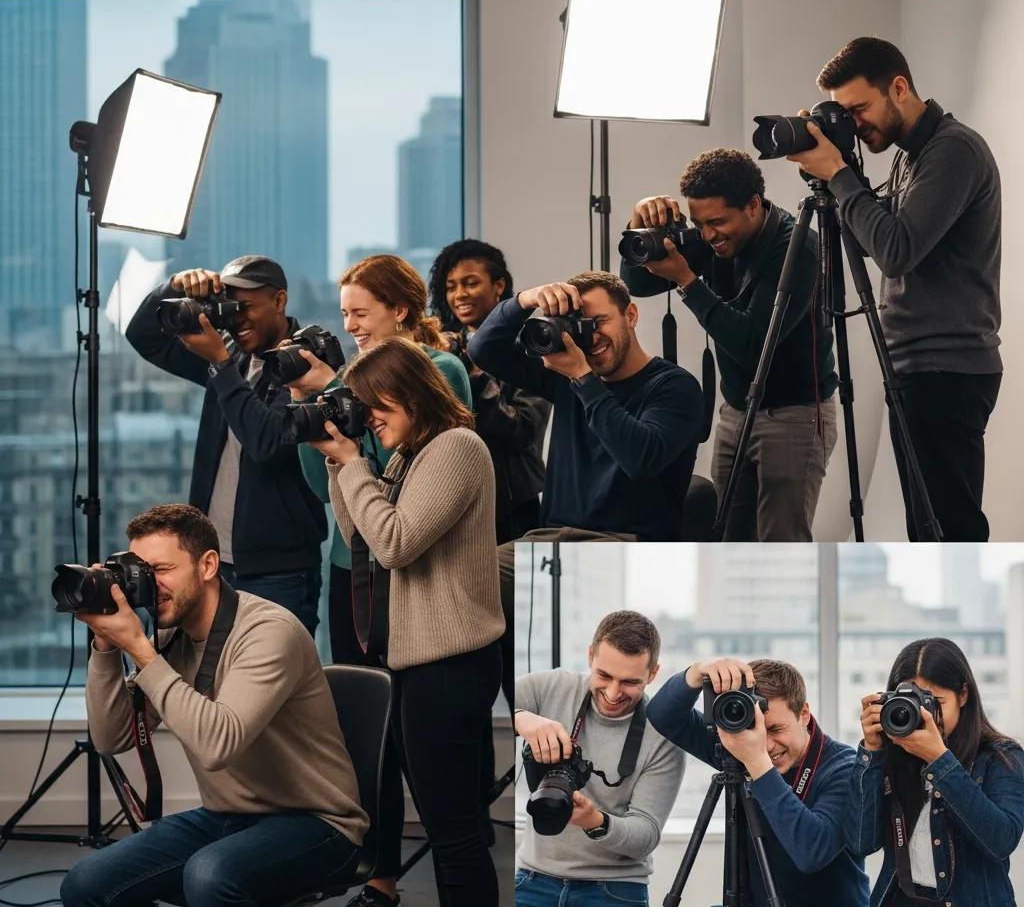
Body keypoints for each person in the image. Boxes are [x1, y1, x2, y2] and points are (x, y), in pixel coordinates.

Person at [60, 503, 368, 907]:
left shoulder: (267, 631)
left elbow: (217, 745)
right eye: (140, 573)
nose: (150, 586)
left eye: (162, 570)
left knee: (209, 875)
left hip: (319, 824)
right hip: (229, 817)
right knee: (85, 883)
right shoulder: (173, 638)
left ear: (207, 565)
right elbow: (110, 737)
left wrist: (139, 648)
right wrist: (104, 645)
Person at [310, 337, 504, 907]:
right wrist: (339, 463)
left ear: (409, 393)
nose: (366, 418)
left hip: (451, 665)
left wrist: (354, 467)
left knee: (454, 832)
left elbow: (396, 543)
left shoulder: (456, 448)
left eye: (374, 405)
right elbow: (360, 539)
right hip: (420, 664)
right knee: (450, 826)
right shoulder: (406, 455)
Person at [788, 36, 1001, 541]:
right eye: (844, 113)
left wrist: (839, 175)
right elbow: (870, 242)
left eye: (858, 108)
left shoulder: (953, 150)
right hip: (919, 364)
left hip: (947, 367)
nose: (855, 123)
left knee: (948, 529)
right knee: (927, 530)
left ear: (899, 87)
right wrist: (845, 169)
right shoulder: (911, 155)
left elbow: (896, 250)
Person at [622, 148, 838, 540]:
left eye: (718, 222)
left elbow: (756, 345)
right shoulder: (714, 237)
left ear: (753, 204)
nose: (708, 236)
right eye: (700, 223)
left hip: (796, 414)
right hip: (737, 410)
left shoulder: (798, 249)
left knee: (780, 544)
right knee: (726, 540)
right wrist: (639, 220)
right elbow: (638, 284)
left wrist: (689, 282)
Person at [284, 253, 471, 665]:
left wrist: (335, 389)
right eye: (344, 313)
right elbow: (324, 489)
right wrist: (306, 402)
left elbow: (401, 470)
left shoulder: (441, 369)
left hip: (408, 562)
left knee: (404, 704)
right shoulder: (347, 379)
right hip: (350, 561)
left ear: (400, 310)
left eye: (361, 313)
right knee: (359, 698)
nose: (349, 326)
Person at [125, 255, 325, 635]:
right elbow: (143, 336)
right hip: (214, 562)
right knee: (210, 679)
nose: (237, 320)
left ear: (280, 301)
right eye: (230, 308)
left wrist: (219, 363)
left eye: (247, 307)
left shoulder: (308, 363)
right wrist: (175, 287)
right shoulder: (230, 356)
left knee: (276, 683)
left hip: (279, 570)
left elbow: (267, 442)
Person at [468, 270, 703, 542]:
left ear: (630, 316)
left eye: (600, 322)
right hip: (550, 539)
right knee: (469, 578)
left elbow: (640, 459)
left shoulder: (674, 387)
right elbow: (483, 350)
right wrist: (525, 300)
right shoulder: (566, 376)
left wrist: (583, 378)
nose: (592, 337)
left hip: (625, 543)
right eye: (581, 326)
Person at [647, 655, 869, 907]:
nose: (766, 744)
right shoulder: (738, 746)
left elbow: (812, 851)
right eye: (756, 730)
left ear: (804, 713)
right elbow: (662, 714)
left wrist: (758, 764)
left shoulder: (844, 768)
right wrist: (697, 672)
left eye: (774, 729)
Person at [513, 611, 684, 907]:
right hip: (533, 880)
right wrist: (522, 720)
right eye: (604, 675)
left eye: (630, 682)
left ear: (653, 673)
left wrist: (596, 821)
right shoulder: (551, 687)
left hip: (616, 890)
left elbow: (645, 835)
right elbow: (476, 702)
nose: (613, 693)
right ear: (591, 656)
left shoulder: (664, 734)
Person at [848, 637, 1024, 907]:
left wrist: (938, 759)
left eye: (934, 702)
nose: (924, 713)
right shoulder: (892, 754)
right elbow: (861, 842)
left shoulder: (1000, 757)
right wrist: (871, 752)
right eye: (911, 702)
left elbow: (1000, 841)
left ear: (963, 695)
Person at [428, 238, 551, 544]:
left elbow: (524, 428)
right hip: (452, 498)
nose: (460, 295)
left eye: (470, 283)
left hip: (512, 503)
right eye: (451, 286)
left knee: (514, 592)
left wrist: (471, 372)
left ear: (499, 286)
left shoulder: (530, 345)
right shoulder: (440, 348)